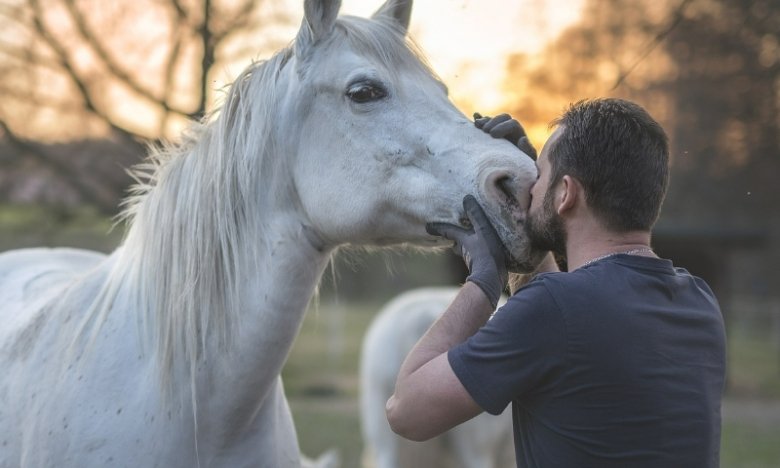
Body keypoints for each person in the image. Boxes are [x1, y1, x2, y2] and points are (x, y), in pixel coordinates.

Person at [385, 98, 726, 467]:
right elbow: (570, 328)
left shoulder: (555, 310)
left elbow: (406, 410)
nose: (531, 188)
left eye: (540, 175)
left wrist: (483, 282)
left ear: (566, 193)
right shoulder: (699, 302)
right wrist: (523, 223)